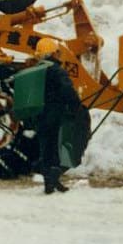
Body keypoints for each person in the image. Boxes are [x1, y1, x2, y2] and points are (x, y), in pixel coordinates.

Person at [34, 60, 91, 194]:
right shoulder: (57, 71)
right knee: (56, 147)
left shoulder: (36, 71)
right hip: (55, 114)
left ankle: (49, 182)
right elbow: (67, 90)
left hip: (40, 115)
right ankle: (54, 176)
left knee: (45, 148)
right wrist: (76, 107)